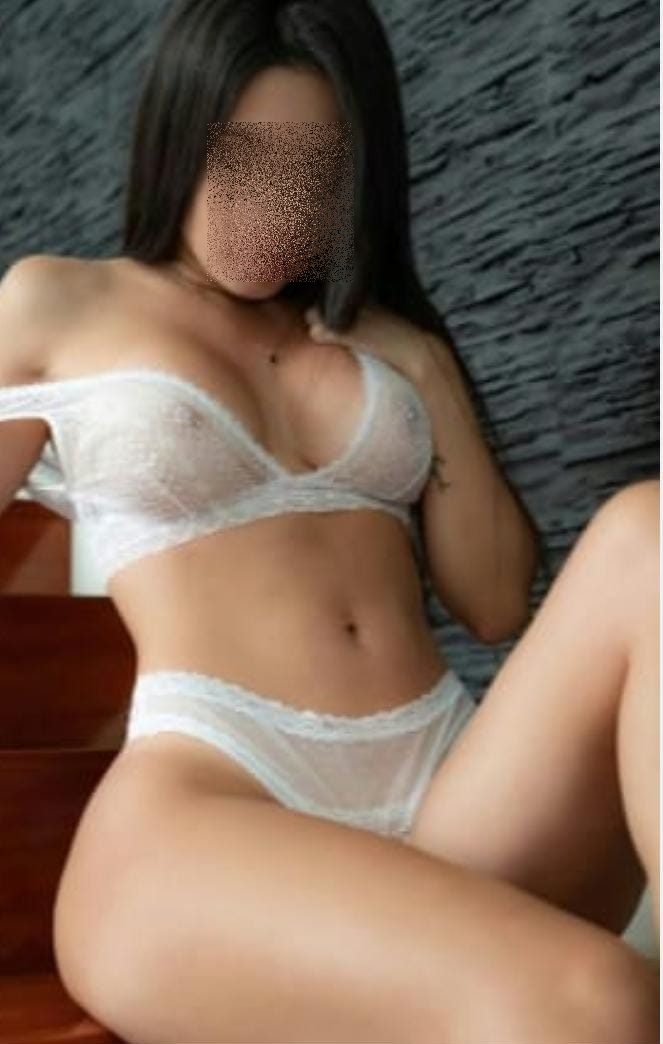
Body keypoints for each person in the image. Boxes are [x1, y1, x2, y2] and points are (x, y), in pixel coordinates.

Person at [0, 1, 657, 1041]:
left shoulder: (379, 339)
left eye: (309, 176)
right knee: (605, 998)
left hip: (452, 797)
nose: (270, 210)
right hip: (213, 812)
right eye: (244, 163)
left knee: (647, 535)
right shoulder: (58, 303)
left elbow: (493, 607)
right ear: (181, 135)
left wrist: (428, 371)